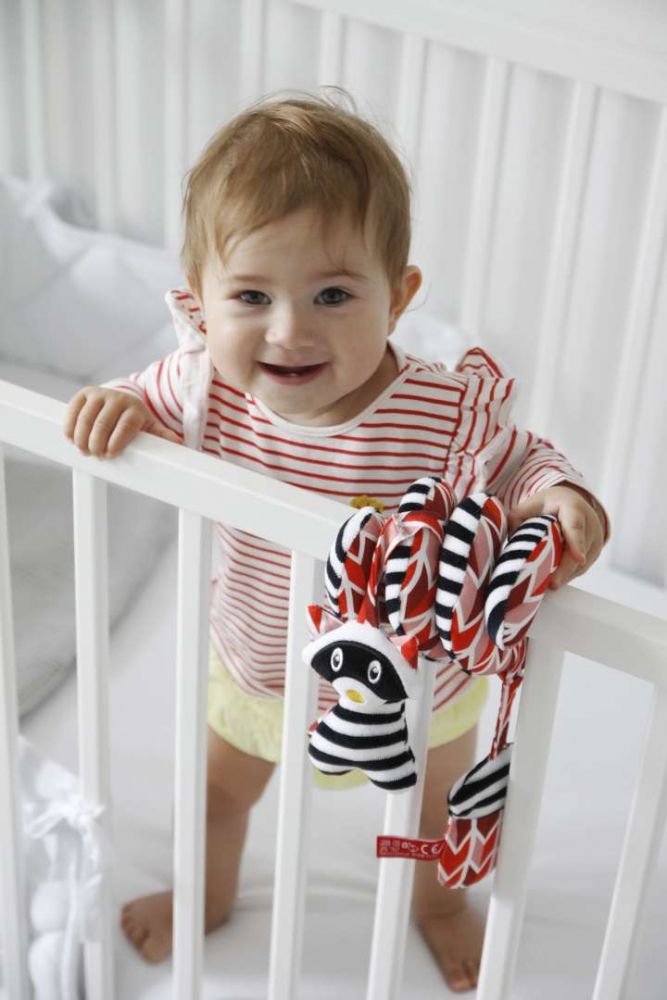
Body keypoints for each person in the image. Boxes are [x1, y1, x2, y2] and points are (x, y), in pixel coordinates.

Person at [63, 93, 609, 993]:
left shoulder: (439, 411)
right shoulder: (201, 388)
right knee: (219, 796)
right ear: (199, 301)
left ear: (398, 298)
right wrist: (115, 404)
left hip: (424, 680)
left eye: (332, 294)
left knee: (437, 807)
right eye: (251, 296)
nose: (289, 330)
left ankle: (438, 905)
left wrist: (559, 497)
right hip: (262, 665)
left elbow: (523, 460)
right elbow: (135, 400)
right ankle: (205, 895)